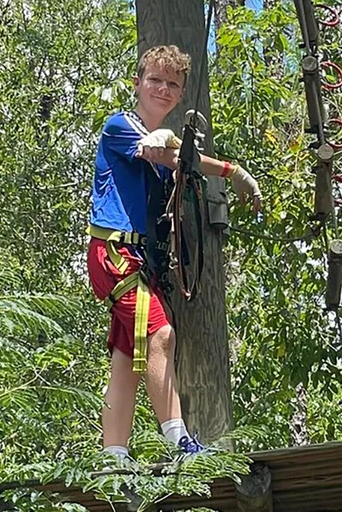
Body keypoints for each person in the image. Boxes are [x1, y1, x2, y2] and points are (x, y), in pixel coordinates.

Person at [87, 45, 261, 462]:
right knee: (162, 333)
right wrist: (230, 170)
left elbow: (173, 156)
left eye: (172, 84)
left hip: (139, 259)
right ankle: (179, 441)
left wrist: (180, 150)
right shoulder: (120, 126)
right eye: (155, 80)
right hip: (115, 251)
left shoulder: (162, 141)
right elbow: (159, 152)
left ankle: (114, 455)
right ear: (137, 84)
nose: (162, 89)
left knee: (128, 356)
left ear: (181, 94)